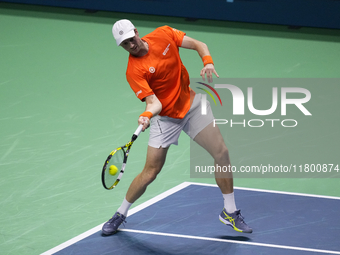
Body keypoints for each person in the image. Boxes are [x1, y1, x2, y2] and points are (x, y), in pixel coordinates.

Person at [102, 19, 252, 235]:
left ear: (136, 32)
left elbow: (200, 45)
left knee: (222, 153)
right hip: (166, 119)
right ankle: (120, 213)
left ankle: (230, 212)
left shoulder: (164, 34)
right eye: (124, 44)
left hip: (192, 105)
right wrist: (146, 115)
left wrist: (207, 61)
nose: (130, 45)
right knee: (151, 172)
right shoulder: (134, 71)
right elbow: (155, 103)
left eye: (130, 39)